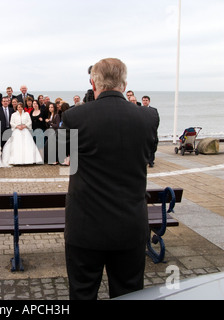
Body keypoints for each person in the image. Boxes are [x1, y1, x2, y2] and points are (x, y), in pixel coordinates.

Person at [62, 58, 159, 300]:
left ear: (92, 83)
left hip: (85, 225)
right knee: (128, 292)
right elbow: (149, 154)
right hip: (130, 224)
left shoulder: (74, 118)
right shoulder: (149, 118)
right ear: (124, 84)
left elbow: (66, 157)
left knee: (83, 292)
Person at [1, 102, 43, 167]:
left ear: (23, 107)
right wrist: (17, 126)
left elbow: (29, 121)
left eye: (21, 107)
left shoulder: (26, 114)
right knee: (17, 145)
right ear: (17, 108)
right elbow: (11, 122)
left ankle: (29, 160)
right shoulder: (14, 115)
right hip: (17, 131)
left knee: (27, 145)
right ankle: (17, 160)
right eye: (18, 107)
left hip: (25, 130)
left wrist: (25, 126)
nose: (19, 108)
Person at [142, 96, 160, 167]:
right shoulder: (139, 109)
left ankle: (151, 161)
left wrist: (154, 128)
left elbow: (157, 120)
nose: (145, 101)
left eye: (146, 100)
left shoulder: (154, 110)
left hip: (152, 130)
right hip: (143, 131)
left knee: (153, 146)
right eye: (144, 100)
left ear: (149, 101)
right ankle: (145, 160)